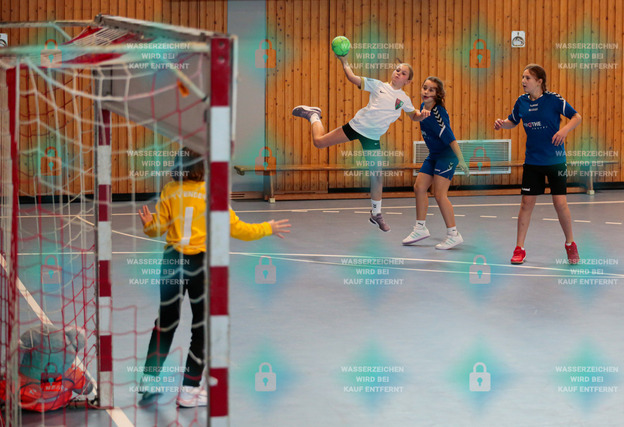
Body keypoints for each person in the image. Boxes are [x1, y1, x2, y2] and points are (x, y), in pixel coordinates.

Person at [137, 149, 290, 407]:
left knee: (165, 322)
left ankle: (149, 380)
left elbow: (158, 229)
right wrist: (268, 228)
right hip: (200, 265)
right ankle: (189, 390)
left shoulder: (170, 190)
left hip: (172, 262)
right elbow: (238, 229)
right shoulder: (212, 193)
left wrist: (148, 224)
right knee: (202, 326)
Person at [292, 57, 429, 232]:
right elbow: (352, 77)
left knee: (377, 176)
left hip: (372, 138)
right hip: (356, 127)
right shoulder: (377, 85)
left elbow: (414, 116)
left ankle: (376, 214)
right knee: (319, 142)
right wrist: (344, 61)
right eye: (397, 70)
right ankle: (313, 115)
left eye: (403, 73)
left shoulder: (404, 99)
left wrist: (421, 115)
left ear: (408, 81)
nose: (398, 73)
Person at [494, 64, 582, 264]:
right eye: (522, 77)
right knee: (526, 203)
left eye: (528, 78)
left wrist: (564, 130)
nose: (523, 81)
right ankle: (519, 248)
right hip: (533, 160)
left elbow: (576, 117)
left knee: (560, 203)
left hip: (555, 160)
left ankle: (570, 244)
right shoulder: (521, 101)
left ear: (539, 81)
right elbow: (513, 120)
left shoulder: (554, 100)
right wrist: (502, 124)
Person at [402, 76, 469, 249]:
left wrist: (461, 160)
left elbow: (451, 138)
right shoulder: (423, 107)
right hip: (434, 154)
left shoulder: (438, 114)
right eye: (425, 88)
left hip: (447, 156)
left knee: (439, 194)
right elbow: (414, 116)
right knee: (419, 187)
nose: (426, 91)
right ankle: (420, 228)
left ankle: (453, 234)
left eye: (431, 90)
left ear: (438, 94)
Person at [0, 325, 94, 413]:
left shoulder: (19, 378)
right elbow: (87, 388)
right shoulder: (70, 373)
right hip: (58, 404)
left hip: (29, 406)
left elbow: (3, 396)